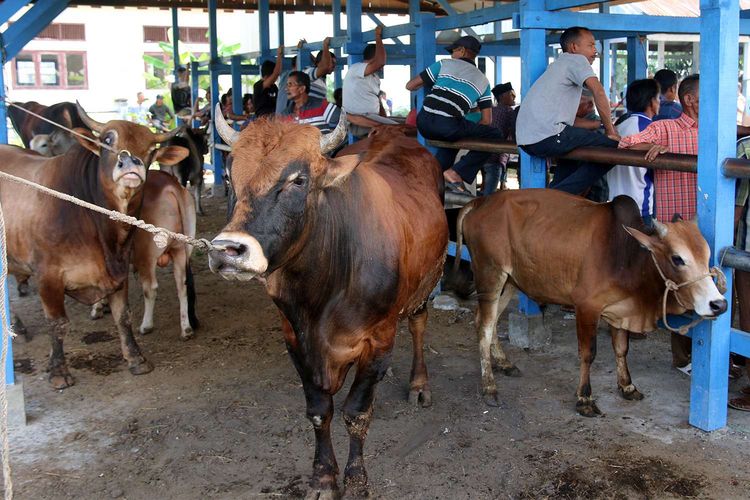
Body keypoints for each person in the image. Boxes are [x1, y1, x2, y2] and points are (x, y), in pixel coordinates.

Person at [515, 26, 620, 197]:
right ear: (573, 47)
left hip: (528, 140)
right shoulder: (577, 61)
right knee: (614, 148)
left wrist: (596, 124)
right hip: (548, 136)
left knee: (572, 154)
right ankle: (556, 195)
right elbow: (599, 91)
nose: (595, 51)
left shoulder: (557, 65)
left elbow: (565, 121)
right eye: (591, 45)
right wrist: (610, 130)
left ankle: (558, 196)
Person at [406, 35, 501, 191]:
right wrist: (467, 130)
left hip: (423, 121)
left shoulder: (444, 64)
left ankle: (433, 178)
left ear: (462, 50)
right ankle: (457, 171)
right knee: (495, 135)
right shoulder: (483, 81)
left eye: (453, 51)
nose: (451, 55)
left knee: (451, 137)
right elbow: (486, 121)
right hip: (448, 126)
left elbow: (410, 86)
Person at [605, 78, 660, 224]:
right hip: (640, 207)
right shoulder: (651, 130)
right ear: (651, 102)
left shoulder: (619, 126)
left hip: (614, 204)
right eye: (658, 98)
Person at [343, 26, 397, 137]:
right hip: (360, 121)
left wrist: (384, 119)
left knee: (401, 130)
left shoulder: (374, 77)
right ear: (376, 56)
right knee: (403, 132)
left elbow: (378, 100)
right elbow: (381, 61)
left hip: (372, 118)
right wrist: (377, 36)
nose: (384, 62)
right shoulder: (356, 68)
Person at [481, 82, 518, 195]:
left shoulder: (491, 110)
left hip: (482, 154)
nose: (514, 96)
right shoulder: (508, 111)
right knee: (489, 195)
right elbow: (514, 133)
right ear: (502, 97)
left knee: (485, 190)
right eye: (511, 94)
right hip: (494, 157)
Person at [253, 46, 283, 118]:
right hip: (262, 119)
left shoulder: (274, 87)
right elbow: (277, 73)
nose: (275, 79)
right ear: (267, 76)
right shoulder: (258, 86)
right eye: (273, 77)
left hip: (274, 116)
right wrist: (279, 55)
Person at [305, 37, 336, 101]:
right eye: (331, 62)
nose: (333, 66)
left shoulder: (322, 77)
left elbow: (319, 63)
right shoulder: (308, 72)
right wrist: (325, 45)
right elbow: (324, 66)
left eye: (334, 63)